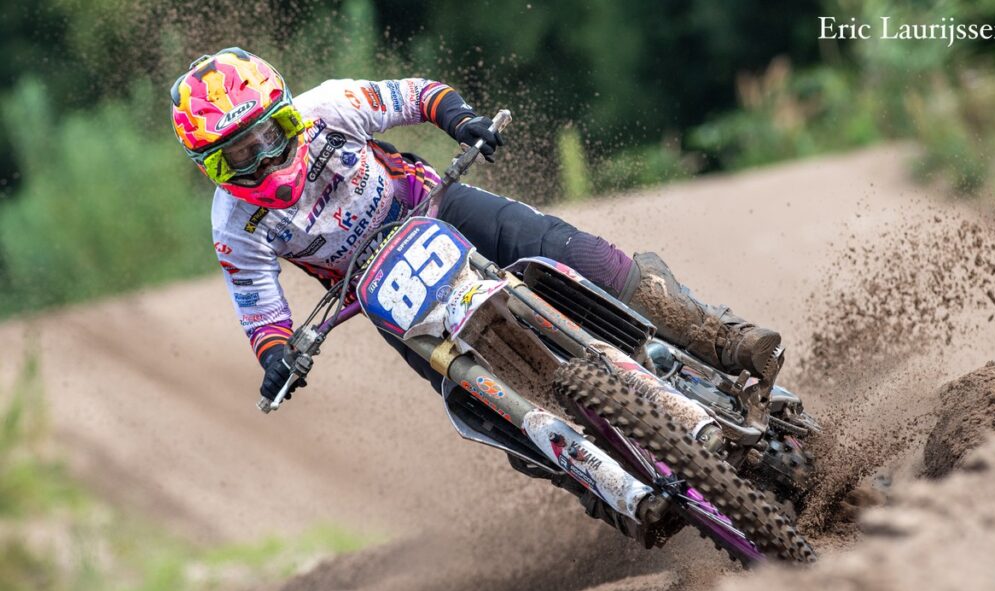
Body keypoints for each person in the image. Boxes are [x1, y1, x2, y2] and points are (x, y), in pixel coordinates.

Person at [171, 47, 783, 543]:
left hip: (439, 210)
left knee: (581, 256)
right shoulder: (233, 225)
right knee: (482, 409)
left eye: (270, 135)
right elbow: (259, 307)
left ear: (289, 116)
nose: (262, 159)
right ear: (211, 168)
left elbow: (416, 95)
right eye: (236, 157)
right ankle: (604, 492)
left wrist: (461, 121)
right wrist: (277, 355)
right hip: (381, 291)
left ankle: (718, 334)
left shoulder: (329, 107)